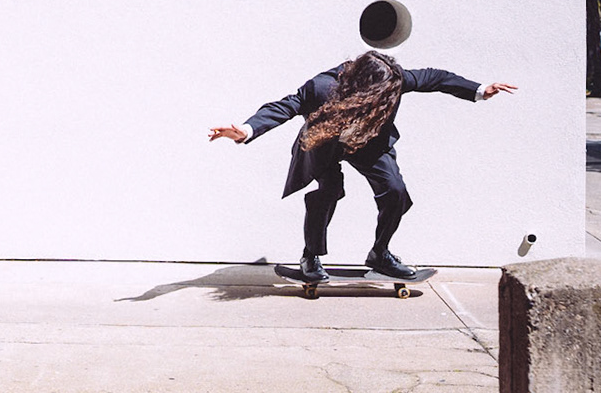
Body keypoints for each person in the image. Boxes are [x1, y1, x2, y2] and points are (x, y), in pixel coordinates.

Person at [207, 50, 516, 282]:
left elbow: (435, 78)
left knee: (395, 192)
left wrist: (480, 89)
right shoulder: (322, 87)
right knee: (329, 191)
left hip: (368, 143)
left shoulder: (393, 78)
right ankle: (310, 257)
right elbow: (285, 106)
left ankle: (380, 254)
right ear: (361, 86)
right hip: (324, 143)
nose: (390, 97)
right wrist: (246, 130)